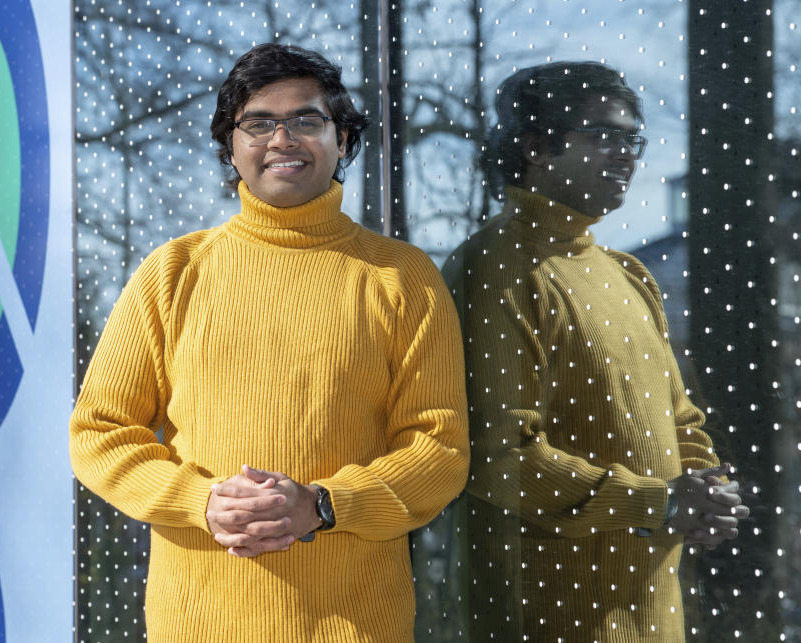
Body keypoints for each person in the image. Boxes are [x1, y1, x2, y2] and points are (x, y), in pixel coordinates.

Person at [69, 43, 469, 643]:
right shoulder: (173, 271)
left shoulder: (402, 277)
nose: (282, 138)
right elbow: (98, 432)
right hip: (197, 623)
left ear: (342, 140)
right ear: (231, 147)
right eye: (258, 123)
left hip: (354, 624)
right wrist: (201, 500)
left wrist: (324, 505)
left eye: (307, 119)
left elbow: (439, 449)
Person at [443, 62, 750, 640]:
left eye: (633, 138)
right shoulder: (496, 268)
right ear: (535, 146)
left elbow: (682, 423)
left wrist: (707, 489)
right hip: (548, 613)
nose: (628, 155)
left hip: (655, 611)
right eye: (604, 135)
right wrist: (656, 504)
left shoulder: (629, 274)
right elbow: (498, 457)